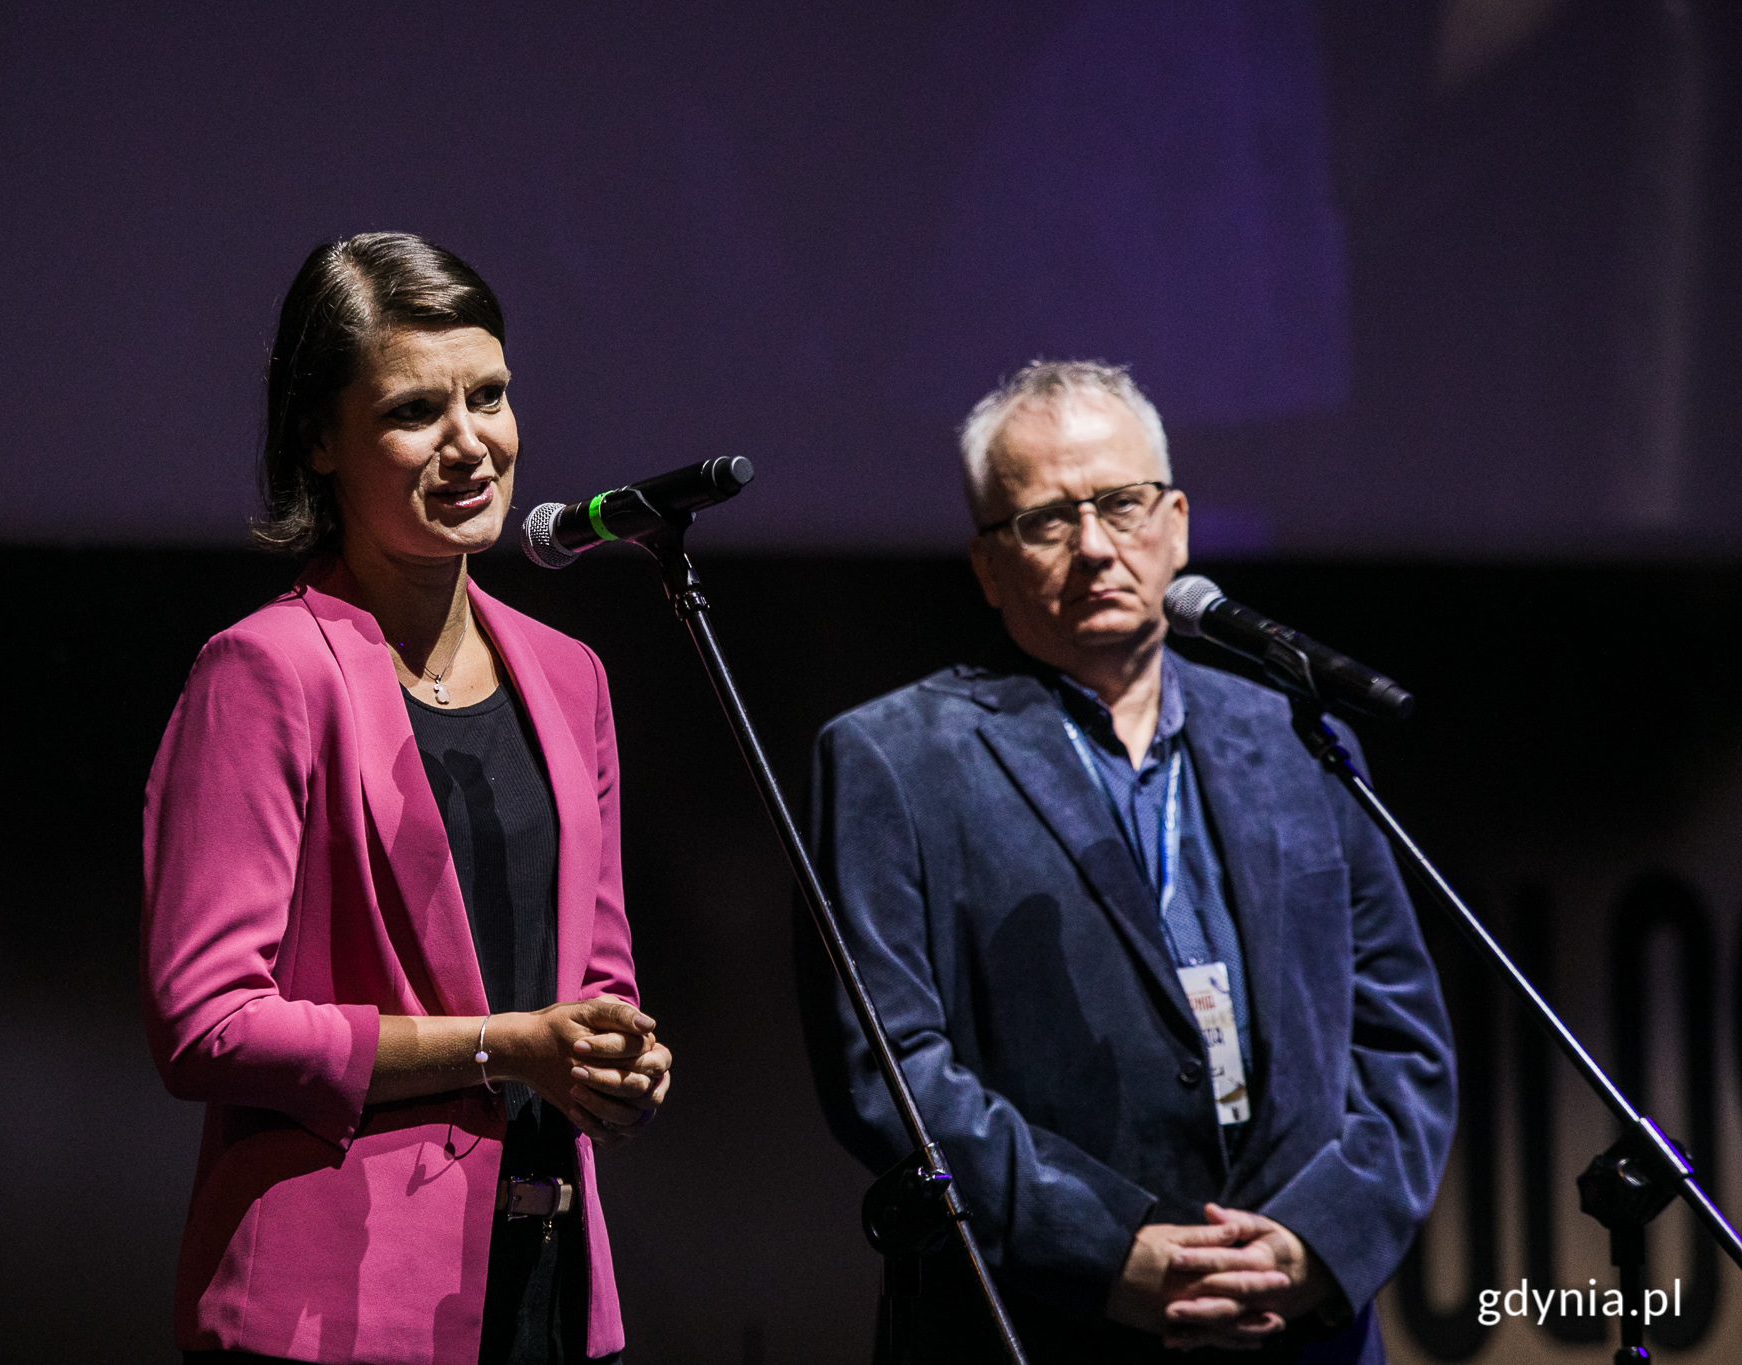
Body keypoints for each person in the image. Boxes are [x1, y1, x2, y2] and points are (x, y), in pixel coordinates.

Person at [800, 360, 1455, 1361]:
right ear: (987, 565)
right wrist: (1110, 1254)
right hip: (1044, 1324)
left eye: (1120, 503)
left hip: (1296, 1325)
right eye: (1046, 520)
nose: (1096, 546)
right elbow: (888, 1071)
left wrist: (1314, 1243)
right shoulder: (892, 760)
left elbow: (1402, 1045)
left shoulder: (1297, 739)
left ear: (1176, 523)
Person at [142, 232, 670, 1365]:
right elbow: (208, 1025)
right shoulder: (265, 671)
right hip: (333, 1305)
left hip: (546, 1286)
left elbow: (599, 977)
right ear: (318, 441)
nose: (470, 441)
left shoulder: (569, 677)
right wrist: (502, 1045)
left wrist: (616, 1057)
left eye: (489, 395)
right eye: (414, 411)